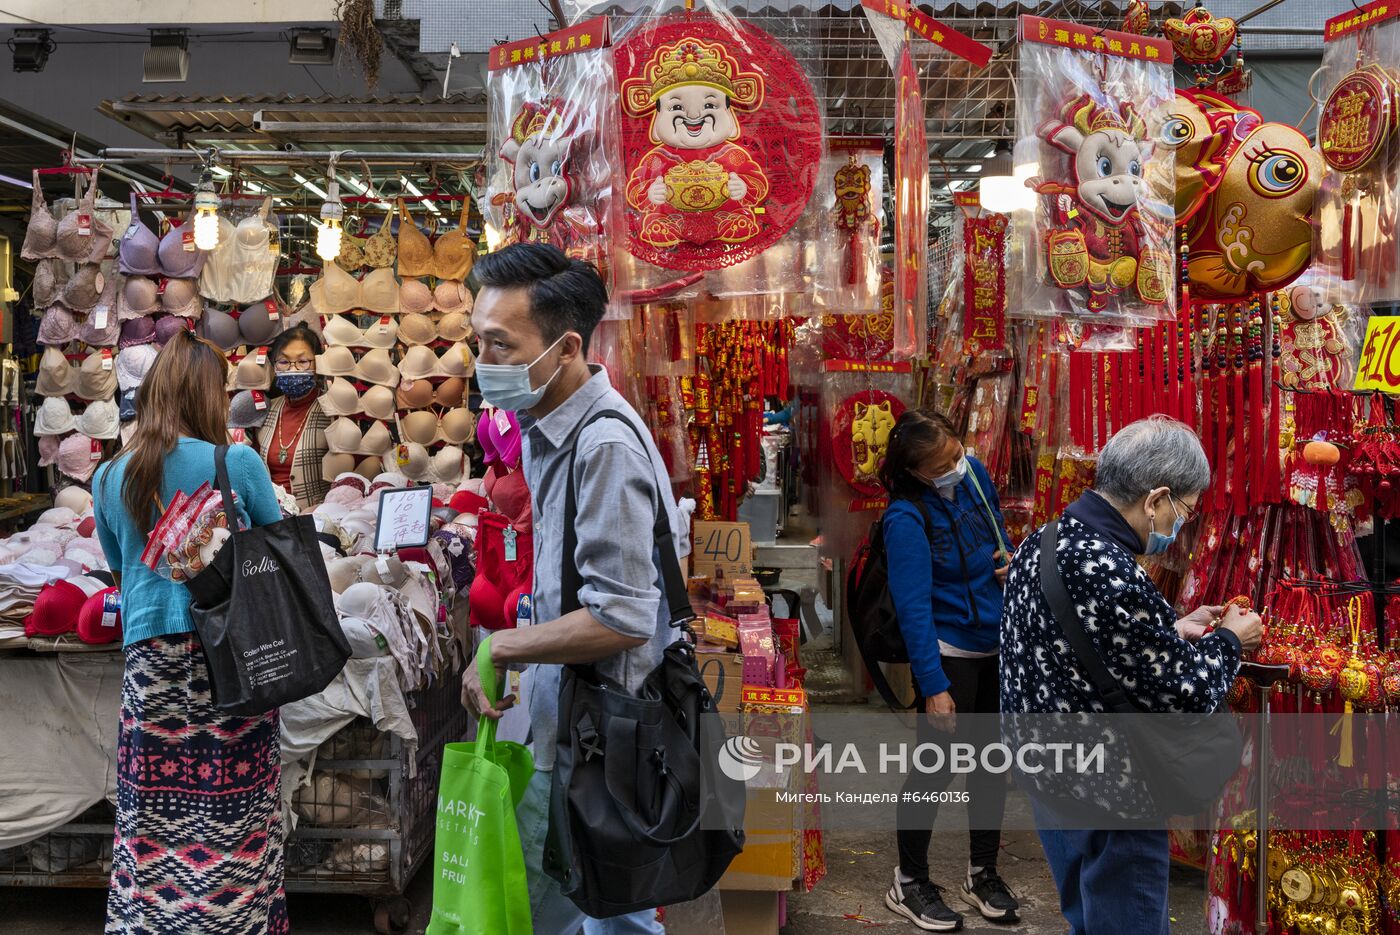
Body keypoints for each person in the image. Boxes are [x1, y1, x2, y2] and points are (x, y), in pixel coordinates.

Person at [460, 243, 676, 935]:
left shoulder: (602, 445)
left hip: (604, 732)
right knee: (585, 906)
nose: (482, 363)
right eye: (477, 340)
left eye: (500, 344)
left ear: (567, 346)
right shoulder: (548, 430)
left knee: (608, 911)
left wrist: (506, 647)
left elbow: (622, 616)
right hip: (574, 724)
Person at [1000, 416, 1263, 935]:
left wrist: (1170, 627)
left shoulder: (1044, 540)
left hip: (1046, 772)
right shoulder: (1111, 569)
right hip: (1111, 793)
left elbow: (1072, 646)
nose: (1179, 525)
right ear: (1156, 498)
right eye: (1183, 510)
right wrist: (1232, 641)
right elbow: (1185, 695)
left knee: (1086, 917)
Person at [93, 330, 287, 934]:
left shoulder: (108, 477)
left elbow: (120, 568)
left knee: (150, 813)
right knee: (235, 808)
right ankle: (231, 920)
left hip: (149, 663)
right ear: (211, 395)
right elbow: (275, 548)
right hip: (231, 655)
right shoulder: (236, 462)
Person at [877, 409, 1020, 931]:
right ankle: (909, 881)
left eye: (957, 453)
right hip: (949, 654)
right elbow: (914, 610)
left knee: (991, 767)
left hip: (995, 647)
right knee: (934, 771)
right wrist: (934, 686)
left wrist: (1008, 563)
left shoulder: (976, 478)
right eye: (943, 464)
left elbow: (998, 537)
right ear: (916, 473)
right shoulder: (905, 518)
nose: (957, 467)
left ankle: (983, 872)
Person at [255, 324, 331, 509]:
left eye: (303, 361)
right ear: (274, 366)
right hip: (270, 517)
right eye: (284, 362)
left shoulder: (330, 411)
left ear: (317, 364)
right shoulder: (267, 409)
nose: (292, 368)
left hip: (315, 518)